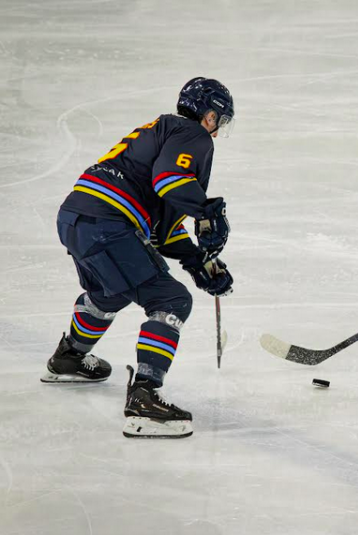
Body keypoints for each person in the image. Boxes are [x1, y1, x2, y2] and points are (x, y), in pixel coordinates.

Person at [43, 77, 235, 438]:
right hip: (108, 223)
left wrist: (196, 260)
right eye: (219, 121)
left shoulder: (158, 132)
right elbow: (169, 179)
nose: (217, 131)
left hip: (76, 218)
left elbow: (160, 228)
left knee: (110, 292)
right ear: (209, 116)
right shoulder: (191, 134)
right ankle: (144, 398)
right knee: (170, 299)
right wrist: (207, 212)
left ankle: (69, 356)